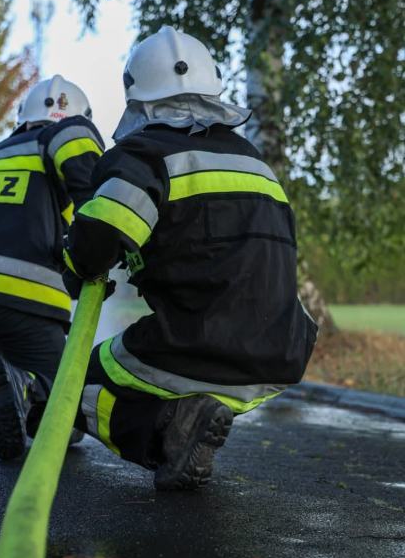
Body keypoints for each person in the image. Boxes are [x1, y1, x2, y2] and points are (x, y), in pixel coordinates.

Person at [63, 26, 318, 491]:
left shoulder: (145, 155)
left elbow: (99, 238)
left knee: (79, 382)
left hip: (201, 345)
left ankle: (169, 431)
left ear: (137, 97)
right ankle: (189, 420)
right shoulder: (256, 163)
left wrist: (75, 265)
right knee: (159, 359)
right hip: (282, 352)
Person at [0, 75, 105, 460]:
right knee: (66, 416)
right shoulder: (64, 134)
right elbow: (86, 182)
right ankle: (24, 387)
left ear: (22, 119)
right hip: (16, 288)